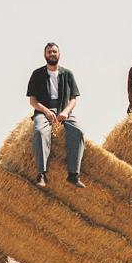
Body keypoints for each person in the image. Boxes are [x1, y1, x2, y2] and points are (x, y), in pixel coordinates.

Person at [26, 42, 86, 188]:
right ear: (44, 55)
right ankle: (41, 173)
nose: (52, 54)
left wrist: (65, 112)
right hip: (43, 111)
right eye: (49, 52)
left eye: (54, 52)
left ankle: (73, 174)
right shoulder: (37, 74)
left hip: (64, 111)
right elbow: (32, 101)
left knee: (78, 131)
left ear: (59, 54)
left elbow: (73, 99)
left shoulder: (68, 74)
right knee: (40, 131)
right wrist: (46, 111)